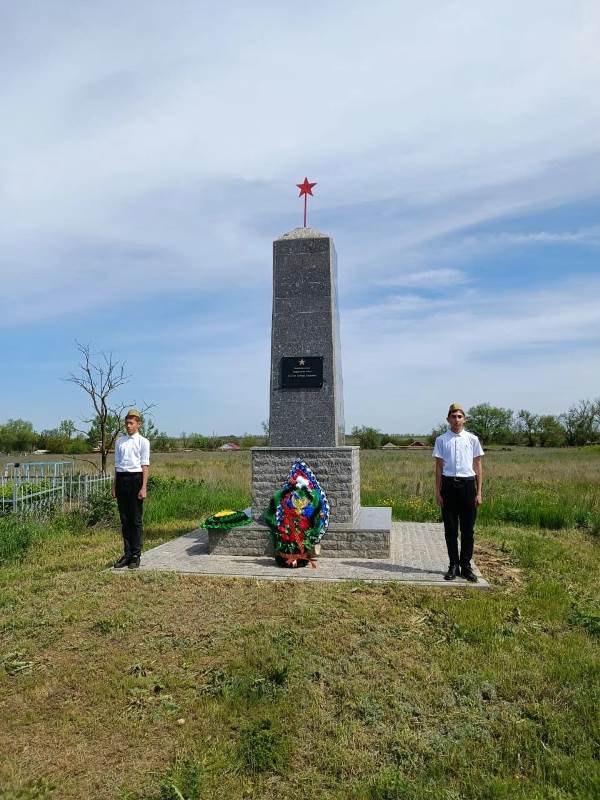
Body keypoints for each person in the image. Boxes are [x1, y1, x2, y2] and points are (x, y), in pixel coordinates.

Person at [433, 403, 484, 582]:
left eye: (459, 416)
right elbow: (439, 467)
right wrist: (438, 492)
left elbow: (477, 466)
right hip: (448, 487)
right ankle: (453, 565)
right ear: (448, 419)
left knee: (468, 530)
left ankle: (466, 566)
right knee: (451, 530)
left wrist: (479, 492)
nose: (456, 420)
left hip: (468, 486)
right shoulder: (441, 440)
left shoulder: (472, 439)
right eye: (453, 416)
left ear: (464, 419)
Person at [112, 409, 150, 569]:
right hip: (122, 479)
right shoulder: (120, 441)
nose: (128, 426)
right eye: (126, 422)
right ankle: (127, 553)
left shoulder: (143, 442)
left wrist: (143, 487)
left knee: (135, 519)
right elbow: (116, 465)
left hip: (136, 479)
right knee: (125, 520)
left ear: (138, 424)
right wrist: (114, 486)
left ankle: (136, 554)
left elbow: (145, 465)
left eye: (131, 423)